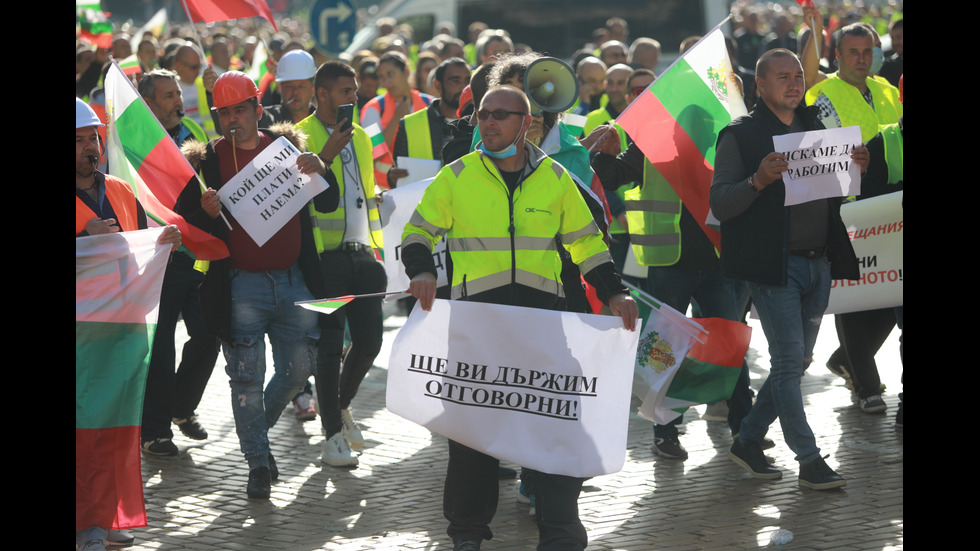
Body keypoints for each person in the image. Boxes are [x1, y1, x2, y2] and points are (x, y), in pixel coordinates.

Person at [401, 85, 638, 551]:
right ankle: (467, 536)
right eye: (482, 115)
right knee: (471, 439)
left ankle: (561, 531)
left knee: (552, 428)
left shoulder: (554, 178)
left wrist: (615, 292)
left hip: (542, 326)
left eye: (499, 115)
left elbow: (587, 244)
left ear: (526, 123)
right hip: (476, 328)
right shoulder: (457, 175)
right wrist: (423, 269)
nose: (488, 123)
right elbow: (417, 231)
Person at [173, 71, 339, 499]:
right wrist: (205, 213)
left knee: (298, 369)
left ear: (257, 109)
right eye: (224, 112)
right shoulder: (205, 162)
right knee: (246, 379)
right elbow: (184, 226)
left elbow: (327, 200)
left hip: (294, 282)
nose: (233, 120)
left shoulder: (286, 148)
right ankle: (259, 465)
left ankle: (255, 439)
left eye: (240, 110)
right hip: (240, 287)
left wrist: (320, 166)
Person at [710, 49, 867, 490]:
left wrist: (856, 171)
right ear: (760, 85)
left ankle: (748, 439)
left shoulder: (816, 126)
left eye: (798, 76)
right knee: (784, 365)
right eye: (783, 77)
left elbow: (836, 194)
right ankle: (809, 459)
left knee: (796, 363)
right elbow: (720, 203)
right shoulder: (739, 135)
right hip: (773, 267)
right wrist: (757, 180)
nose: (794, 84)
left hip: (820, 262)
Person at [591, 67, 755, 460]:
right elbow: (613, 176)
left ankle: (744, 429)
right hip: (671, 267)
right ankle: (666, 433)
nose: (694, 131)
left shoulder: (724, 149)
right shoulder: (652, 146)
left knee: (730, 346)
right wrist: (599, 151)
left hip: (715, 266)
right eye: (688, 124)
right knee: (664, 352)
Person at [76, 97, 181, 551]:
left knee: (116, 431)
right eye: (77, 141)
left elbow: (137, 250)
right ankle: (89, 523)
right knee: (85, 433)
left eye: (92, 138)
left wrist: (161, 244)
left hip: (121, 332)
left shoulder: (120, 190)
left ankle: (100, 519)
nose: (88, 148)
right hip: (80, 336)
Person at [296, 61, 388, 468]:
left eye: (354, 91)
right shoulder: (302, 136)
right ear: (322, 95)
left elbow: (362, 190)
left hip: (364, 252)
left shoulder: (364, 138)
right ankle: (332, 436)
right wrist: (326, 155)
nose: (354, 97)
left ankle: (341, 406)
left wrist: (378, 198)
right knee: (330, 346)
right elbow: (305, 198)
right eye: (345, 91)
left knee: (370, 341)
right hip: (324, 257)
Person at [137, 69, 218, 455]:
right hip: (156, 258)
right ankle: (155, 432)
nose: (177, 101)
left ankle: (181, 409)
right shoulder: (132, 143)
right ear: (148, 103)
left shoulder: (191, 137)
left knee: (208, 333)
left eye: (177, 93)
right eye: (168, 95)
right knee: (162, 345)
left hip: (194, 255)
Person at [800, 17, 902, 142]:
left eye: (867, 52)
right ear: (838, 55)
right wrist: (816, 31)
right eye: (854, 52)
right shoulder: (826, 103)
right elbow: (832, 153)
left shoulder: (890, 91)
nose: (861, 59)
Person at [391, 57, 471, 180]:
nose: (463, 88)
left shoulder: (481, 121)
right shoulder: (409, 125)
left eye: (467, 81)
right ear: (438, 85)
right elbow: (399, 176)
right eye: (455, 81)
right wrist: (391, 177)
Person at [263, 50, 317, 125]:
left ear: (313, 89)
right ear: (280, 88)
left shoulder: (325, 123)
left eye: (301, 86)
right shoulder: (264, 121)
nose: (295, 92)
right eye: (289, 86)